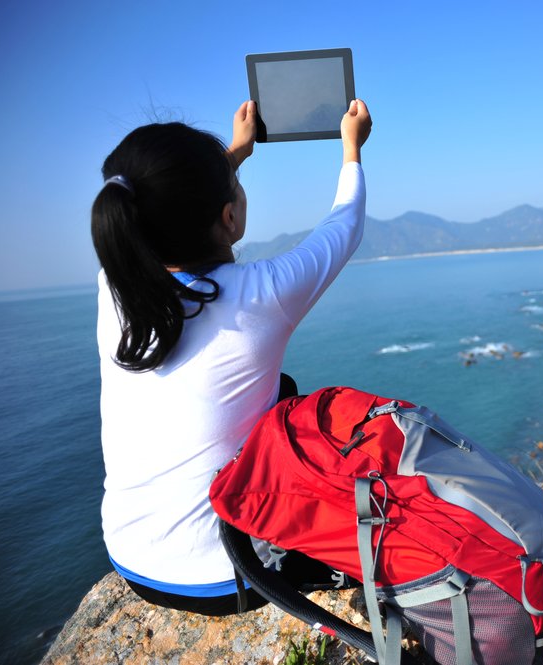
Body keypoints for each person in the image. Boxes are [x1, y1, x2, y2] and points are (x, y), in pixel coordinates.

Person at [91, 98, 372, 615]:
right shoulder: (258, 296)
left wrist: (232, 156)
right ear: (228, 216)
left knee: (279, 389)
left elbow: (166, 208)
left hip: (129, 559)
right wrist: (351, 148)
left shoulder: (114, 284)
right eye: (234, 191)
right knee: (304, 416)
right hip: (227, 579)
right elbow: (344, 226)